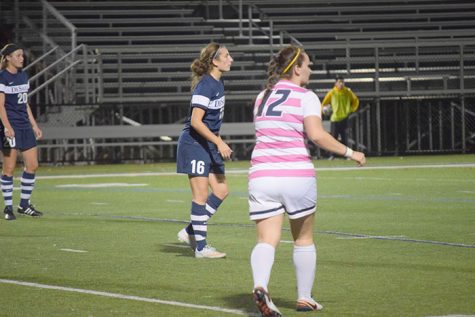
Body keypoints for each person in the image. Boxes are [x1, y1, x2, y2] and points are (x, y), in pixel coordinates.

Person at [249, 46, 366, 316]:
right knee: (303, 238)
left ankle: (260, 285)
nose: (311, 70)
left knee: (266, 239)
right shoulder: (307, 96)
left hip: (262, 175)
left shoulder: (261, 96)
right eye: (308, 65)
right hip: (296, 174)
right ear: (297, 68)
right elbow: (316, 135)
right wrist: (351, 153)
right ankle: (304, 298)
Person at [176, 42, 233, 259]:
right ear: (215, 61)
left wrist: (217, 142)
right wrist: (219, 142)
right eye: (226, 56)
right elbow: (196, 122)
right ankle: (201, 247)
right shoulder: (205, 85)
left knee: (221, 191)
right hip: (194, 144)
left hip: (208, 144)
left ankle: (190, 231)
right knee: (200, 196)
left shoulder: (219, 82)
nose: (231, 59)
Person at [0, 43, 43, 220]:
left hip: (25, 126)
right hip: (10, 127)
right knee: (9, 168)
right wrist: (7, 127)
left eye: (22, 55)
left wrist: (34, 125)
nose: (21, 58)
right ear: (8, 58)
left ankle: (24, 205)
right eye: (17, 55)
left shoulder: (23, 75)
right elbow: (0, 106)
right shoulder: (2, 77)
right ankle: (8, 208)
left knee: (32, 165)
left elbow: (24, 103)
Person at [321, 75, 359, 159]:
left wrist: (351, 110)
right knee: (333, 139)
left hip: (345, 118)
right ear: (336, 83)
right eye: (339, 82)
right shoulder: (332, 92)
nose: (341, 84)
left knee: (345, 138)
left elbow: (355, 101)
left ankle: (347, 155)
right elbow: (323, 104)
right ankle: (332, 155)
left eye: (342, 82)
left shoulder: (348, 92)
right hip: (334, 119)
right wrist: (323, 110)